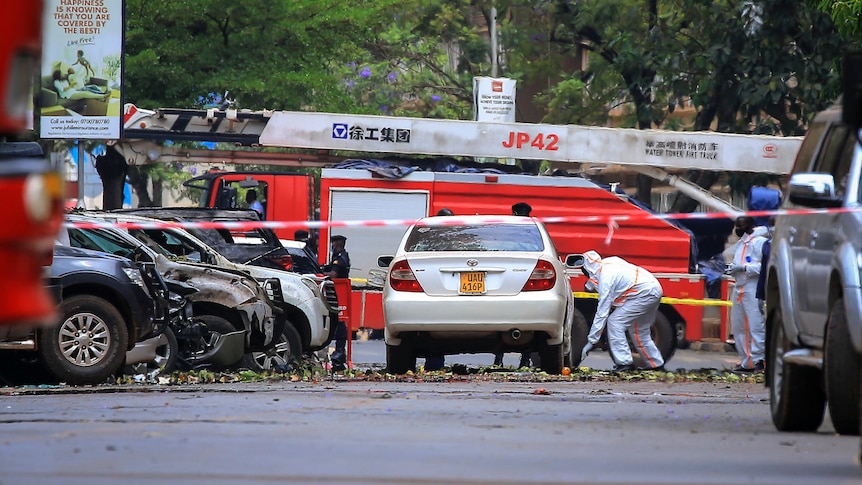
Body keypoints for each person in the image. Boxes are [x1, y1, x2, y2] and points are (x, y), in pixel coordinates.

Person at [577, 250, 665, 372]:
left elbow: (602, 313)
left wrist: (591, 341)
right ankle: (656, 364)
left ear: (588, 269)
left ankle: (624, 363)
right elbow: (599, 277)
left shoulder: (606, 280)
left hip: (644, 294)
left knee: (615, 322)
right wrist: (590, 285)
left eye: (584, 270)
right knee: (640, 330)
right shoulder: (608, 263)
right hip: (654, 288)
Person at [494, 202, 535, 367]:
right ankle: (525, 361)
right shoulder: (534, 231)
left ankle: (498, 360)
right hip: (528, 285)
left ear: (514, 213)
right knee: (528, 323)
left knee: (501, 322)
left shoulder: (507, 230)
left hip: (506, 283)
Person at [726, 216, 767, 373]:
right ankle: (747, 362)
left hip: (752, 287)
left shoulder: (759, 242)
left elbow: (764, 267)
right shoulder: (741, 243)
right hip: (739, 286)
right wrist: (732, 268)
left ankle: (759, 360)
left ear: (750, 225)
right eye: (737, 225)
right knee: (739, 327)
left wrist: (743, 268)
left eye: (741, 225)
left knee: (755, 325)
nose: (738, 228)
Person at [424, 209, 455, 371]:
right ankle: (435, 363)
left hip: (435, 288)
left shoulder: (430, 238)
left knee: (434, 327)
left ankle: (434, 363)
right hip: (449, 289)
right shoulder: (456, 238)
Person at [324, 235, 350, 370]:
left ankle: (340, 352)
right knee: (338, 321)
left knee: (339, 321)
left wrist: (323, 274)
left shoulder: (340, 258)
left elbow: (334, 274)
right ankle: (339, 353)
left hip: (339, 294)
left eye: (333, 244)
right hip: (337, 293)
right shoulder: (339, 256)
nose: (332, 246)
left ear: (337, 244)